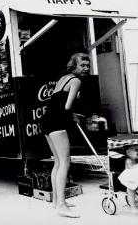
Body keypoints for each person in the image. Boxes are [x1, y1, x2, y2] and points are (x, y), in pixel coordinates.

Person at [41, 52, 91, 218]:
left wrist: (72, 114)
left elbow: (58, 102)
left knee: (57, 161)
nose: (86, 68)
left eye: (87, 65)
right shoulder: (76, 81)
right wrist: (74, 116)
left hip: (47, 121)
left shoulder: (65, 78)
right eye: (82, 65)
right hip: (57, 123)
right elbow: (67, 106)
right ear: (74, 66)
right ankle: (61, 205)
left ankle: (56, 201)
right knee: (65, 162)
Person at [118, 145, 138, 213]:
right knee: (131, 191)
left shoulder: (135, 159)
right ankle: (133, 207)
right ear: (128, 152)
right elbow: (131, 168)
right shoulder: (128, 160)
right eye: (135, 150)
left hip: (135, 178)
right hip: (129, 180)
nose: (137, 151)